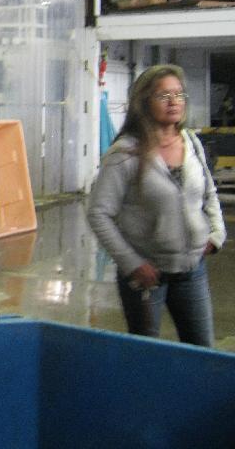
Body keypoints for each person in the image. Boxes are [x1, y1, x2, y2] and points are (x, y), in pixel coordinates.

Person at [87, 64, 226, 347]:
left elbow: (209, 193)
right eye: (163, 95)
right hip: (148, 278)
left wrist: (216, 235)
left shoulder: (191, 143)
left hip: (192, 270)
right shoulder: (126, 153)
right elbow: (99, 212)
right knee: (147, 354)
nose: (174, 102)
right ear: (144, 102)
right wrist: (132, 263)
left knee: (202, 349)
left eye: (179, 95)